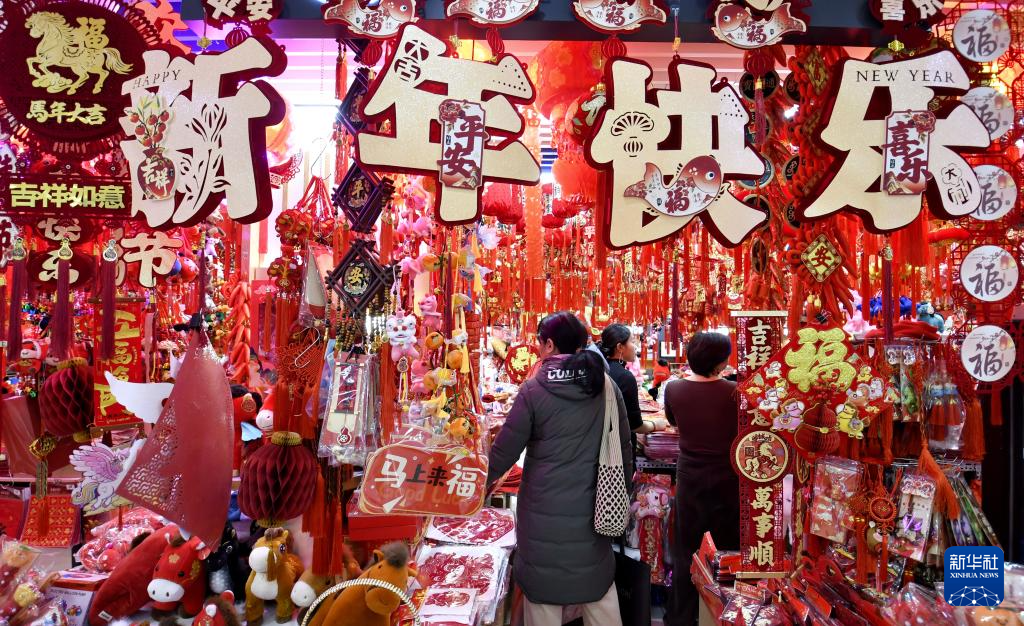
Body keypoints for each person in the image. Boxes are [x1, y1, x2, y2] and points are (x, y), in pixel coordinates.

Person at [488, 312, 632, 626]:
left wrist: (471, 487)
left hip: (542, 513)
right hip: (595, 509)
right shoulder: (606, 386)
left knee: (544, 597)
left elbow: (502, 453)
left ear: (550, 345)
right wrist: (621, 498)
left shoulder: (533, 389)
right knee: (597, 590)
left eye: (540, 343)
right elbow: (623, 452)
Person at [662, 332, 740, 626]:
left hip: (690, 476)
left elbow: (672, 422)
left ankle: (680, 617)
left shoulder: (674, 389)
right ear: (721, 362)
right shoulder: (735, 391)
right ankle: (724, 614)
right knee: (726, 549)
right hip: (727, 477)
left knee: (687, 549)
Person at [598, 324, 667, 439]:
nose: (635, 347)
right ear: (620, 347)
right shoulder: (625, 377)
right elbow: (635, 426)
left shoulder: (599, 368)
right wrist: (656, 425)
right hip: (618, 442)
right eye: (632, 342)